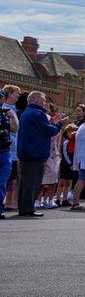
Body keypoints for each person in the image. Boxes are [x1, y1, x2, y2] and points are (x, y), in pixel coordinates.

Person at [15, 91, 67, 217]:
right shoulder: (38, 113)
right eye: (43, 100)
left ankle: (24, 207)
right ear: (36, 100)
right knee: (33, 182)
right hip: (35, 153)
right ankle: (28, 209)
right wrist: (60, 124)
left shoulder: (28, 112)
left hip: (26, 152)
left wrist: (52, 121)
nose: (45, 103)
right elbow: (49, 131)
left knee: (26, 182)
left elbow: (42, 128)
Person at [0, 89, 20, 219]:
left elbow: (15, 128)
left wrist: (12, 116)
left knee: (2, 183)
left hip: (5, 152)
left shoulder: (5, 114)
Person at [56, 124, 78, 206]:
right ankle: (58, 199)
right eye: (72, 131)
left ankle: (64, 199)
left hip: (72, 164)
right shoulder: (66, 142)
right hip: (66, 164)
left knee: (69, 182)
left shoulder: (74, 142)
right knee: (62, 182)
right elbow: (65, 154)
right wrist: (70, 164)